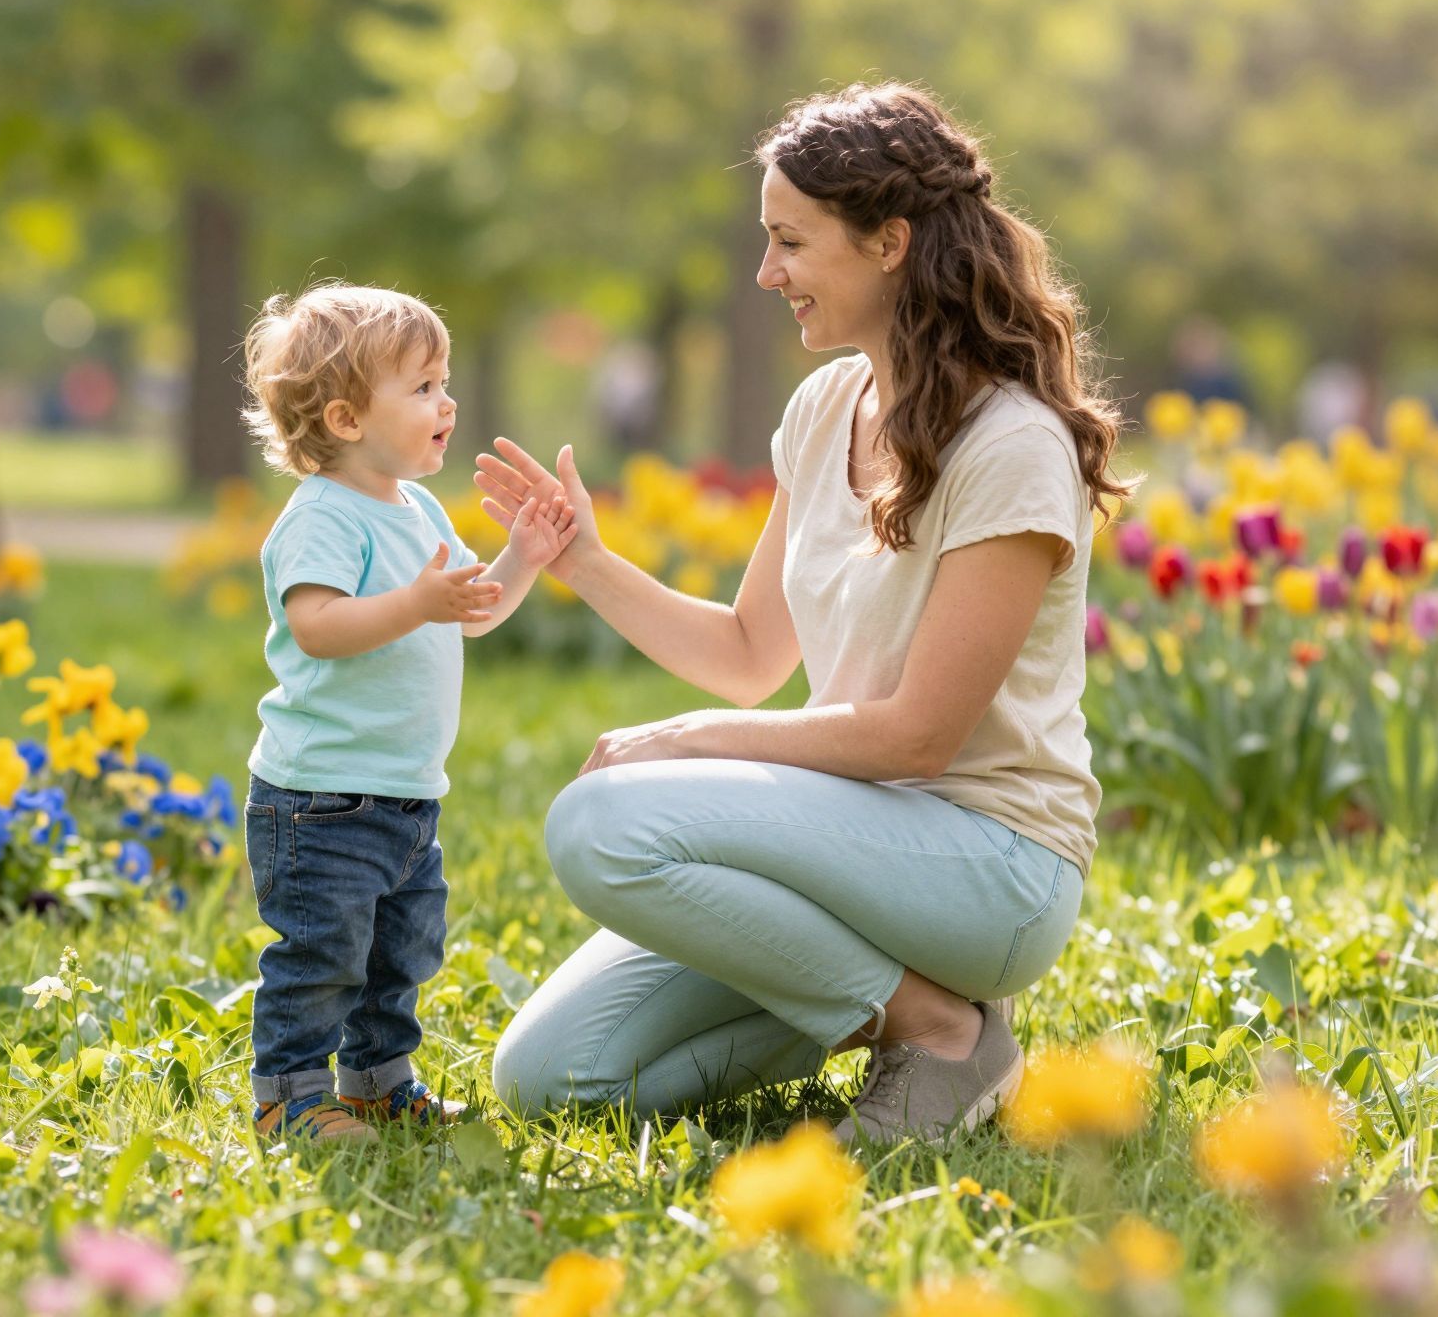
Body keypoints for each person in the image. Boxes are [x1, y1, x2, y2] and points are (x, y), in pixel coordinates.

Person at [478, 83, 1133, 1144]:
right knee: (552, 1079)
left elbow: (920, 736)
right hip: (847, 854)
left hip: (988, 867)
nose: (764, 271)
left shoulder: (1009, 445)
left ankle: (942, 1030)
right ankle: (883, 1003)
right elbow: (746, 656)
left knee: (601, 823)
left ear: (888, 243)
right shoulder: (828, 406)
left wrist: (678, 743)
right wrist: (585, 563)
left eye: (788, 241)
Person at [238, 283, 576, 1142]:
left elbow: (473, 606)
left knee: (398, 954)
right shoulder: (322, 516)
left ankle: (378, 1082)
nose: (446, 401)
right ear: (348, 419)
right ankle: (289, 1097)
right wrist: (416, 604)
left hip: (403, 794)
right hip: (319, 800)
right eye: (422, 387)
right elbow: (316, 628)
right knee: (322, 956)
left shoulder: (417, 508)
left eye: (445, 380)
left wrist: (524, 556)